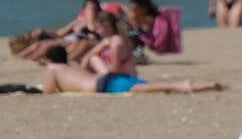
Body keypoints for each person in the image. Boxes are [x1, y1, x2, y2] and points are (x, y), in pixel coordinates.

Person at [41, 45, 223, 95]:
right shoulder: (70, 64)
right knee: (147, 85)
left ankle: (187, 87)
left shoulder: (53, 68)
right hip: (108, 78)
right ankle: (187, 86)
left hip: (103, 85)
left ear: (49, 59)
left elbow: (48, 90)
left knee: (150, 88)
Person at [14, 0, 102, 62]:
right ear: (84, 10)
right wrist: (43, 30)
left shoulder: (99, 24)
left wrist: (89, 24)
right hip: (65, 41)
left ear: (98, 11)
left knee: (47, 45)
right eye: (90, 9)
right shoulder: (77, 22)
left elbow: (94, 39)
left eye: (95, 10)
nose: (92, 12)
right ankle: (19, 58)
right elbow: (58, 34)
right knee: (38, 44)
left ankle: (28, 61)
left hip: (75, 43)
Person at [81, 11, 137, 76]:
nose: (96, 31)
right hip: (118, 74)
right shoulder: (107, 41)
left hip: (124, 77)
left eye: (98, 28)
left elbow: (116, 69)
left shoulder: (116, 42)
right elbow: (89, 55)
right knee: (92, 58)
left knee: (93, 59)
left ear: (106, 26)